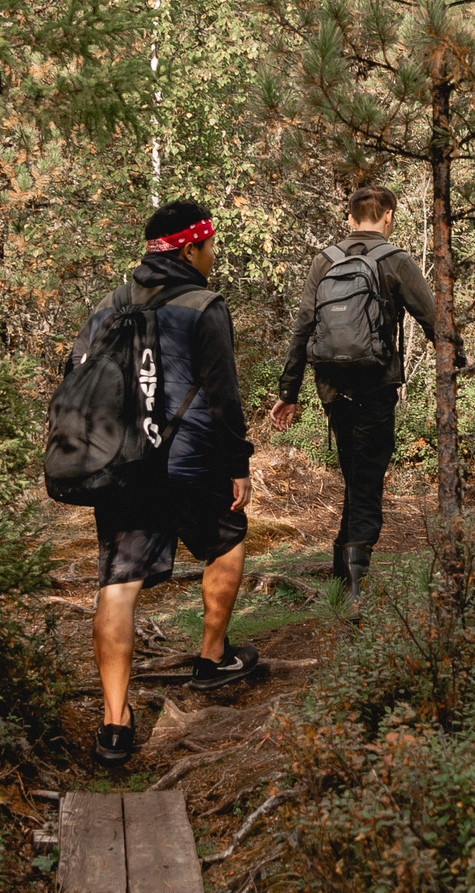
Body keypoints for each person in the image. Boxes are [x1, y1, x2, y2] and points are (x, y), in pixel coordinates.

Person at [79, 198, 263, 768]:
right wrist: (239, 464)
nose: (213, 257)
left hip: (123, 469)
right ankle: (212, 660)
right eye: (210, 247)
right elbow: (223, 395)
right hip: (191, 464)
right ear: (191, 249)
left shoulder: (109, 304)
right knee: (227, 541)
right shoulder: (204, 305)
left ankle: (115, 725)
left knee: (118, 584)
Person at [271, 185, 443, 597]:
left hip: (331, 387)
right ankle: (354, 584)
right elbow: (431, 317)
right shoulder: (396, 260)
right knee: (366, 478)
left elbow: (303, 329)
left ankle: (340, 563)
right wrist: (458, 359)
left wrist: (288, 391)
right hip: (377, 384)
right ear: (388, 217)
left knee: (355, 473)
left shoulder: (323, 261)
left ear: (350, 219)